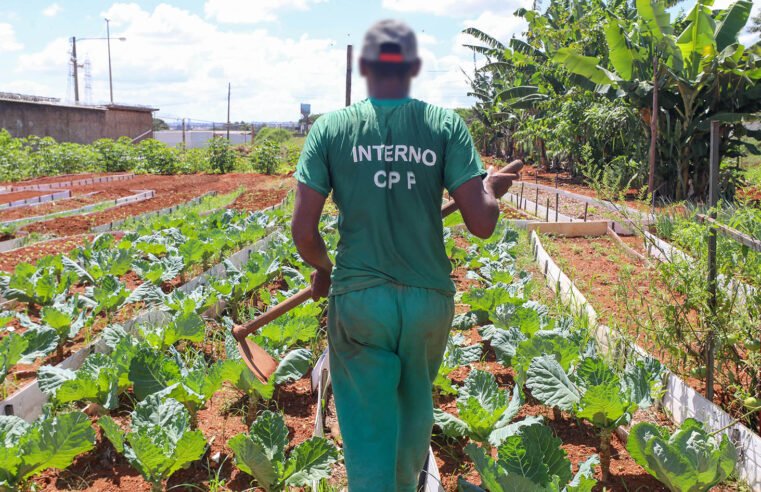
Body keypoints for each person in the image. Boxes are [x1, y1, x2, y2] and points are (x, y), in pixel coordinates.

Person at [291, 19, 516, 491]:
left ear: (365, 67)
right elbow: (482, 222)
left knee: (367, 427)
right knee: (414, 411)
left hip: (359, 299)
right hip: (426, 301)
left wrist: (325, 269)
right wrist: (490, 188)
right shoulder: (444, 126)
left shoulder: (330, 129)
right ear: (412, 66)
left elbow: (304, 231)